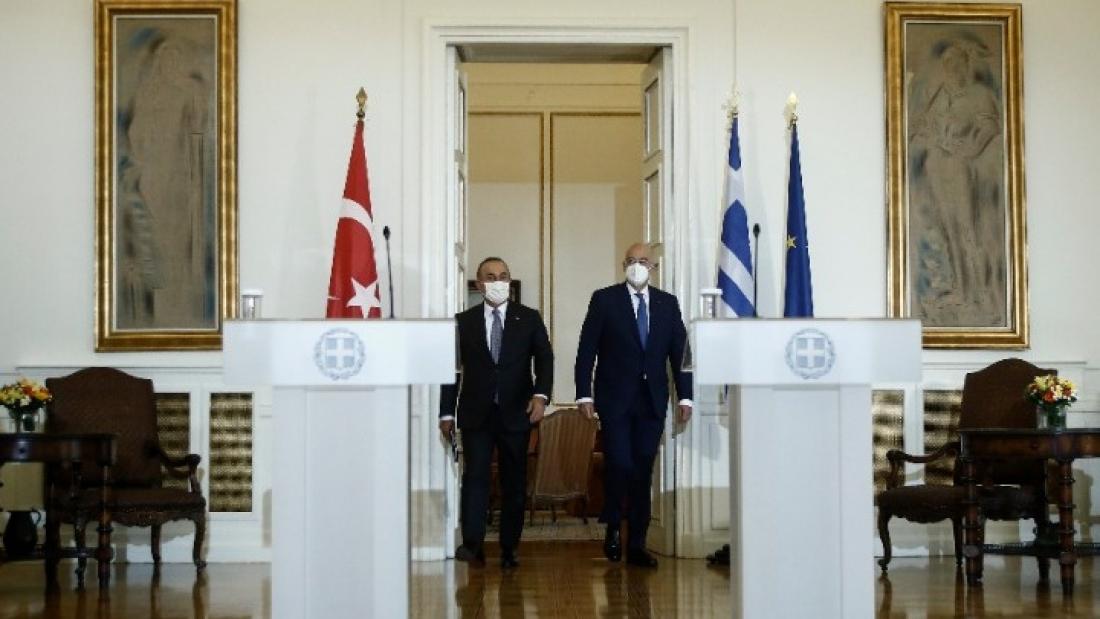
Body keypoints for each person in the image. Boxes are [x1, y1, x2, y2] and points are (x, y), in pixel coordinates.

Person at [574, 242, 692, 568]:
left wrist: (685, 395)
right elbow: (587, 350)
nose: (637, 266)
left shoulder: (667, 304)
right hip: (614, 400)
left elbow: (681, 354)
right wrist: (584, 394)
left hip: (652, 400)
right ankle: (613, 525)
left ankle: (637, 544)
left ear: (653, 267)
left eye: (643, 261)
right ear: (623, 265)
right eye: (631, 261)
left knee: (642, 470)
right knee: (620, 463)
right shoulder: (605, 300)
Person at [439, 257, 553, 569]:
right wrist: (446, 413)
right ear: (479, 284)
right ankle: (473, 544)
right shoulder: (463, 322)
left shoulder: (528, 318)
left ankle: (509, 548)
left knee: (514, 482)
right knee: (475, 479)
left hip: (517, 412)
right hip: (476, 414)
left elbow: (545, 359)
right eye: (490, 277)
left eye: (503, 276)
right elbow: (452, 370)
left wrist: (541, 396)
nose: (498, 282)